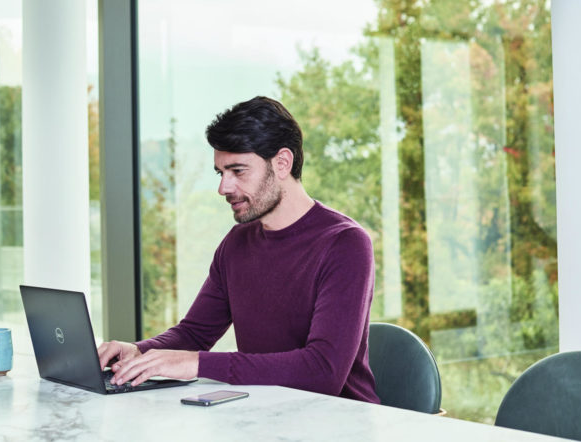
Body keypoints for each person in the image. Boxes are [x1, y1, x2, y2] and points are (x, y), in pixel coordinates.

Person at [97, 96, 379, 403]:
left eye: (238, 171)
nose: (224, 188)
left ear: (282, 163)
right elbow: (194, 334)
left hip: (342, 424)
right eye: (221, 173)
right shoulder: (236, 243)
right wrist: (139, 350)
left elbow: (322, 372)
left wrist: (195, 364)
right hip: (264, 416)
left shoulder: (345, 244)